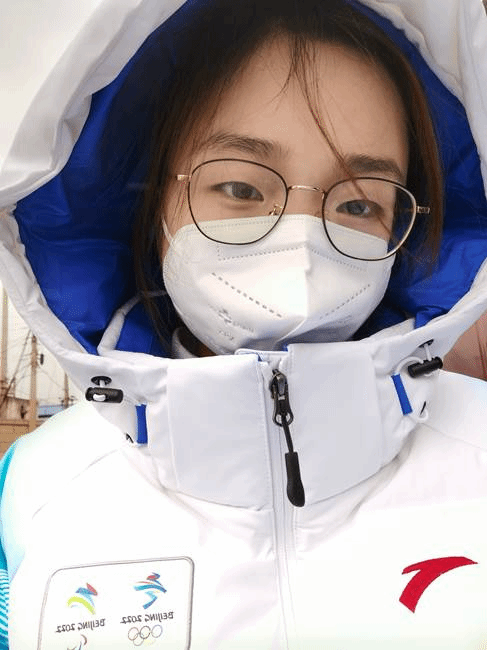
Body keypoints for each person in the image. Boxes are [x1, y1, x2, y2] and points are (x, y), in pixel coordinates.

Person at [0, 0, 486, 648]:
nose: (302, 245)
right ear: (150, 199)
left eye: (357, 202)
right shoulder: (34, 484)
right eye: (240, 189)